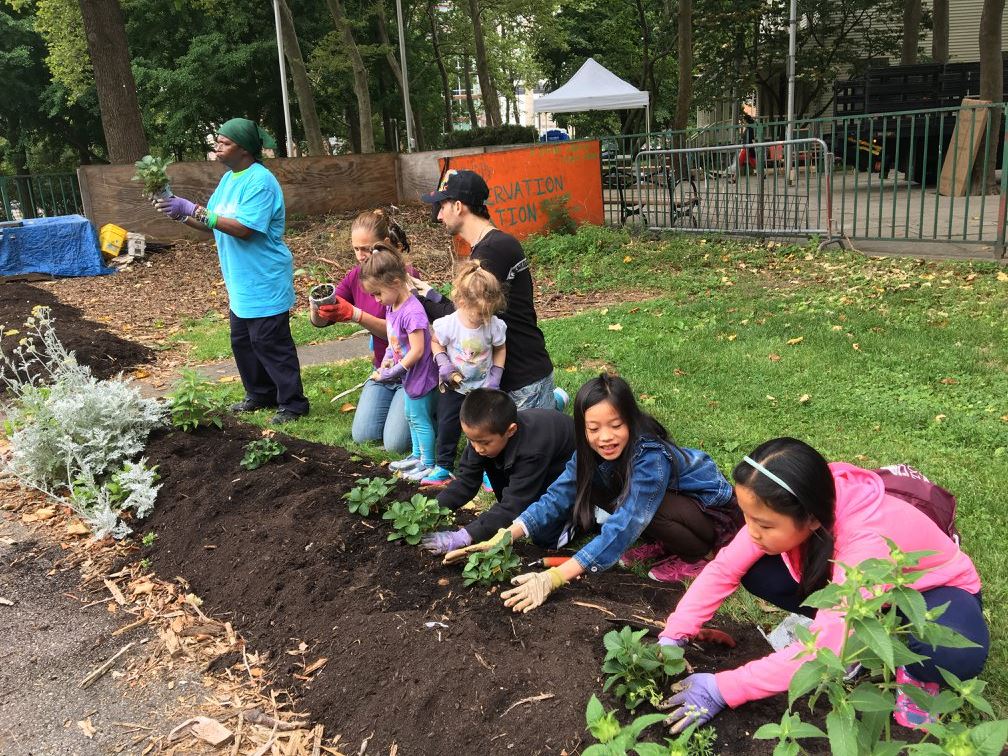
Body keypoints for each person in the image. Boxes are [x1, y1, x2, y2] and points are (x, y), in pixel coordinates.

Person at [658, 437, 988, 733]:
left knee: (948, 651)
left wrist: (723, 688)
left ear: (811, 518)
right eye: (747, 516)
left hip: (931, 594)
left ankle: (915, 678)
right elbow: (724, 569)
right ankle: (855, 637)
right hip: (863, 592)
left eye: (763, 523)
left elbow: (822, 653)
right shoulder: (795, 500)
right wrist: (676, 633)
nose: (751, 531)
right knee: (758, 569)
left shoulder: (866, 543)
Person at [443, 373, 743, 611]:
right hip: (668, 506)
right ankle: (666, 544)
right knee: (597, 487)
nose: (605, 437)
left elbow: (625, 525)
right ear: (583, 427)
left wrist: (555, 577)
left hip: (710, 512)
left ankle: (698, 555)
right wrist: (506, 535)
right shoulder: (589, 450)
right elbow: (557, 495)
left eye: (615, 425)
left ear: (631, 420)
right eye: (594, 428)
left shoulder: (649, 456)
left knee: (643, 508)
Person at [155, 118, 308, 424]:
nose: (217, 147)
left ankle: (293, 404)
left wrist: (193, 208)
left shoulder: (260, 182)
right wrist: (181, 215)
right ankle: (260, 394)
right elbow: (211, 225)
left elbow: (245, 229)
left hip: (264, 277)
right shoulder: (229, 180)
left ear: (245, 149)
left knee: (270, 342)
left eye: (224, 143)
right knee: (244, 342)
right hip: (241, 281)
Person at [421, 169, 566, 412]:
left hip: (520, 380)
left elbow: (466, 318)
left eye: (442, 206)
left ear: (458, 206)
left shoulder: (490, 253)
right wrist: (430, 295)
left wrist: (422, 299)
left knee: (512, 447)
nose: (438, 216)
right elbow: (466, 309)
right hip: (523, 370)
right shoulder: (495, 243)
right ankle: (551, 403)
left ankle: (550, 404)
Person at [312, 209, 422, 453]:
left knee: (394, 444)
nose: (361, 255)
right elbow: (323, 318)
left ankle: (428, 409)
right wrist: (318, 307)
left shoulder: (403, 278)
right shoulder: (356, 276)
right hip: (383, 369)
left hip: (410, 371)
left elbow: (399, 334)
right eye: (356, 249)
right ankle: (400, 408)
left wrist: (355, 314)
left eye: (367, 248)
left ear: (385, 244)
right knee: (364, 436)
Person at [421, 389, 576, 554]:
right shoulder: (483, 436)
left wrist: (466, 536)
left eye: (484, 442)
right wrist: (430, 511)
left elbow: (514, 504)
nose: (477, 448)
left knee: (544, 536)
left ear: (511, 430)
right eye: (471, 440)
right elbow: (465, 483)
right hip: (535, 459)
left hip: (567, 468)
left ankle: (580, 516)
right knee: (507, 497)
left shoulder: (533, 450)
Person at [420, 261, 507, 487]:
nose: (481, 319)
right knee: (448, 424)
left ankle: (487, 468)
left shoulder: (493, 324)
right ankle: (444, 467)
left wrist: (496, 376)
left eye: (486, 313)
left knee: (484, 427)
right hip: (454, 386)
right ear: (461, 301)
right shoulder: (449, 324)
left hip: (483, 388)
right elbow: (436, 343)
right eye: (477, 314)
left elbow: (500, 348)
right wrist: (443, 363)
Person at [359, 244, 438, 480]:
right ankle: (416, 456)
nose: (376, 299)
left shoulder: (413, 311)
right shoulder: (392, 306)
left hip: (421, 375)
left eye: (377, 293)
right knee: (410, 416)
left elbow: (418, 350)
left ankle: (428, 462)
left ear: (395, 282)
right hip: (407, 375)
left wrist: (395, 371)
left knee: (419, 418)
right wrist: (386, 360)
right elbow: (393, 338)